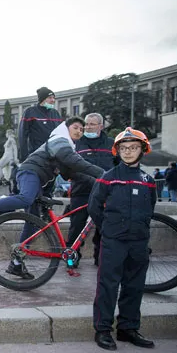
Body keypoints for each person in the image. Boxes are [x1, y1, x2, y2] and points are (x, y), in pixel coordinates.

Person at [0, 117, 104, 278]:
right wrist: (102, 174)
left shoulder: (67, 147)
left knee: (33, 222)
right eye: (76, 127)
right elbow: (75, 161)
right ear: (66, 128)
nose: (79, 131)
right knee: (26, 198)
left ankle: (16, 264)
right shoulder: (59, 140)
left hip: (39, 182)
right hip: (29, 172)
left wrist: (100, 181)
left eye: (82, 130)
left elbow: (75, 173)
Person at [89, 127, 156, 351]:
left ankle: (128, 328)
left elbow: (151, 207)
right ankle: (103, 329)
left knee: (134, 286)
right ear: (117, 151)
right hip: (113, 240)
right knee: (108, 285)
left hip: (138, 241)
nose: (128, 152)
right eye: (124, 148)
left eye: (133, 147)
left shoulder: (148, 180)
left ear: (142, 150)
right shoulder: (108, 178)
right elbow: (94, 207)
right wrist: (108, 230)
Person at [66, 113, 115, 266]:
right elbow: (70, 167)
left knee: (104, 226)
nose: (87, 127)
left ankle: (99, 257)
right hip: (81, 191)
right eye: (86, 124)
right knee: (76, 225)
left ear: (101, 126)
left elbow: (118, 165)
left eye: (92, 124)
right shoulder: (76, 143)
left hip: (105, 193)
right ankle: (72, 257)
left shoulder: (111, 144)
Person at [18, 87, 63, 161]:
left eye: (53, 98)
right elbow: (22, 135)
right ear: (42, 99)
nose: (53, 100)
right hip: (37, 155)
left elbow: (61, 133)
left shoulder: (55, 113)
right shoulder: (30, 112)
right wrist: (24, 157)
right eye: (50, 98)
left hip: (55, 155)